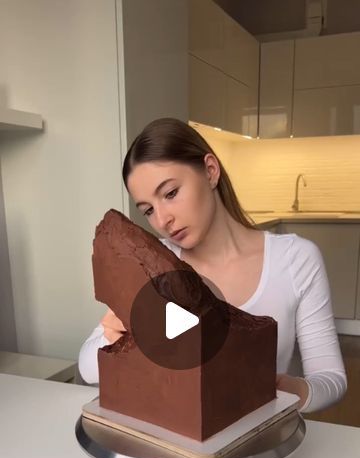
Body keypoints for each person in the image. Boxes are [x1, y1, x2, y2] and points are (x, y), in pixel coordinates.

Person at [78, 117, 347, 412]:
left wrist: (287, 389)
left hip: (262, 443)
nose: (162, 220)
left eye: (170, 193)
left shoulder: (296, 260)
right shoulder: (154, 266)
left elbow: (332, 380)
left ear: (210, 171)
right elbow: (88, 369)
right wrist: (113, 335)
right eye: (148, 210)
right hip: (179, 442)